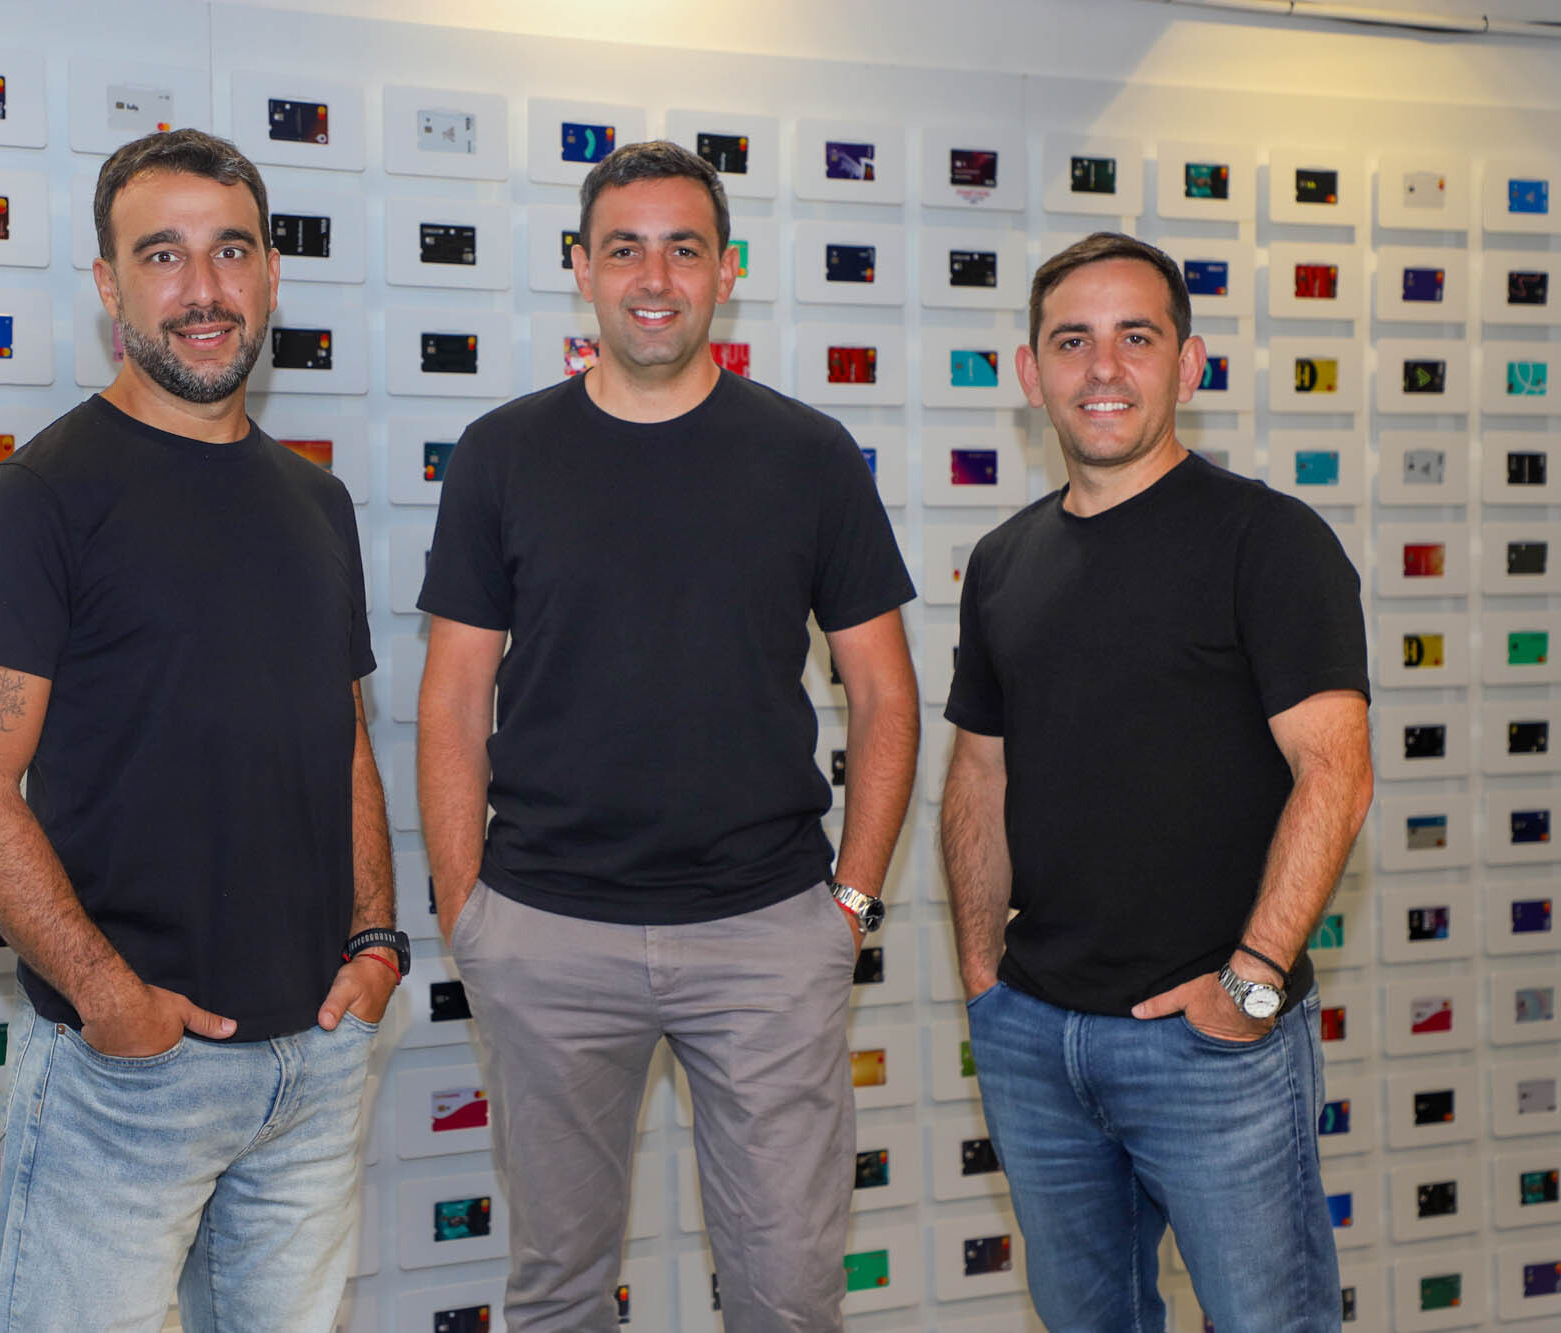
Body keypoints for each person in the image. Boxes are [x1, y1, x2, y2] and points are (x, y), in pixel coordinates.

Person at [416, 140, 920, 1332]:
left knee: (787, 1296)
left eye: (682, 249)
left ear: (726, 270)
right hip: (546, 930)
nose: (653, 277)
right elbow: (452, 697)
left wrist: (848, 906)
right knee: (558, 1293)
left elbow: (885, 695)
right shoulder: (501, 453)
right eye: (625, 249)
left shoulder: (807, 454)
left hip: (766, 933)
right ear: (580, 268)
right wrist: (465, 911)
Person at [0, 129, 401, 1333]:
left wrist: (375, 940)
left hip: (314, 1063)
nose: (203, 289)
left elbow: (342, 737)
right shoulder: (36, 500)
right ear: (109, 285)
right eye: (162, 256)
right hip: (127, 1080)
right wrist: (112, 1002)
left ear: (270, 273)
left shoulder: (316, 503)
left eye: (230, 251)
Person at [941, 230, 1372, 1332]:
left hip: (1209, 1043)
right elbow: (978, 772)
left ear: (1188, 364)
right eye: (1070, 341)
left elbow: (1336, 770)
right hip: (1036, 1037)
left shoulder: (1267, 540)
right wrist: (985, 979)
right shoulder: (1001, 562)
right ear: (1028, 371)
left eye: (1135, 338)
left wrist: (1251, 984)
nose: (1102, 368)